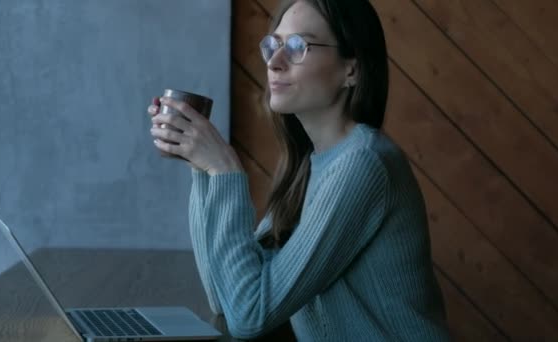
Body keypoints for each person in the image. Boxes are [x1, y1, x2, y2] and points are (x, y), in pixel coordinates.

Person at [147, 0, 450, 340]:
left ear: (352, 69)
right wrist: (202, 169)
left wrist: (224, 170)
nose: (274, 63)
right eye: (273, 45)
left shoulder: (363, 164)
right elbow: (226, 299)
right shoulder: (310, 165)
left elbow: (249, 315)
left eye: (297, 46)